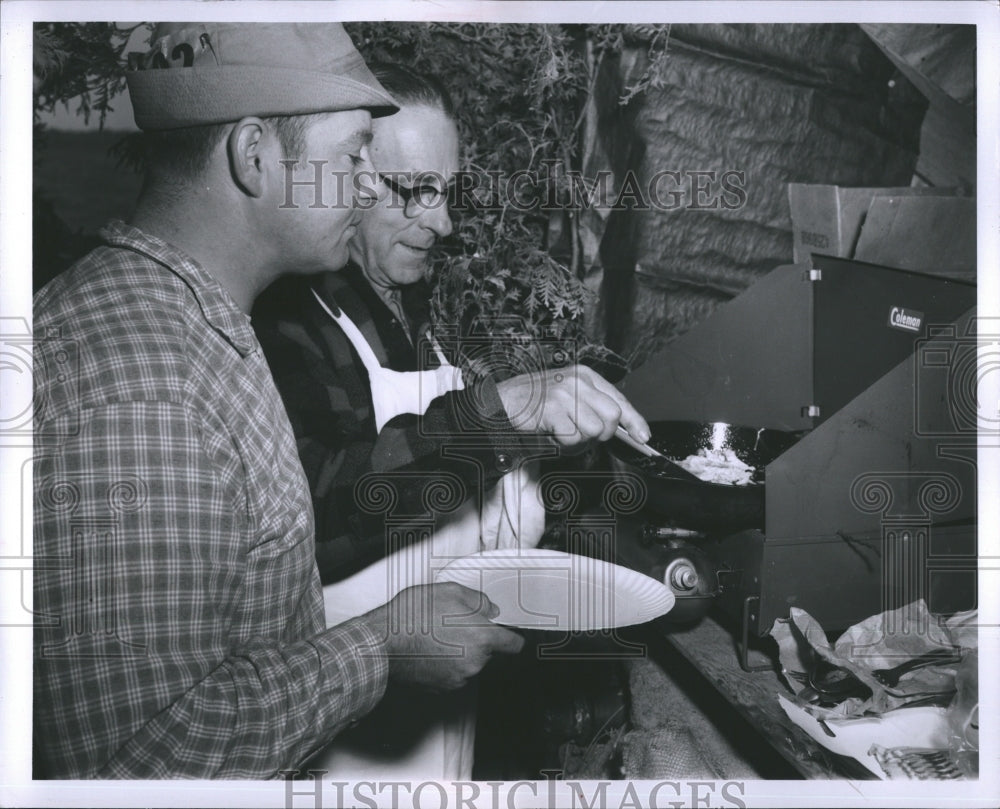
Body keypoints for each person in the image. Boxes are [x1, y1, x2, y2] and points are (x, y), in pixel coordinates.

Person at [31, 23, 527, 780]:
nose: (368, 185)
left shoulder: (206, 325)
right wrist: (384, 646)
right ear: (254, 155)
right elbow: (141, 761)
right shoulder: (144, 386)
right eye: (353, 155)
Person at [252, 64, 652, 778]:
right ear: (351, 178)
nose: (439, 222)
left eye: (446, 192)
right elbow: (325, 508)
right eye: (413, 191)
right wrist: (500, 415)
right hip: (336, 745)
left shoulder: (423, 320)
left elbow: (459, 485)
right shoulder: (288, 324)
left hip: (442, 738)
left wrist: (558, 454)